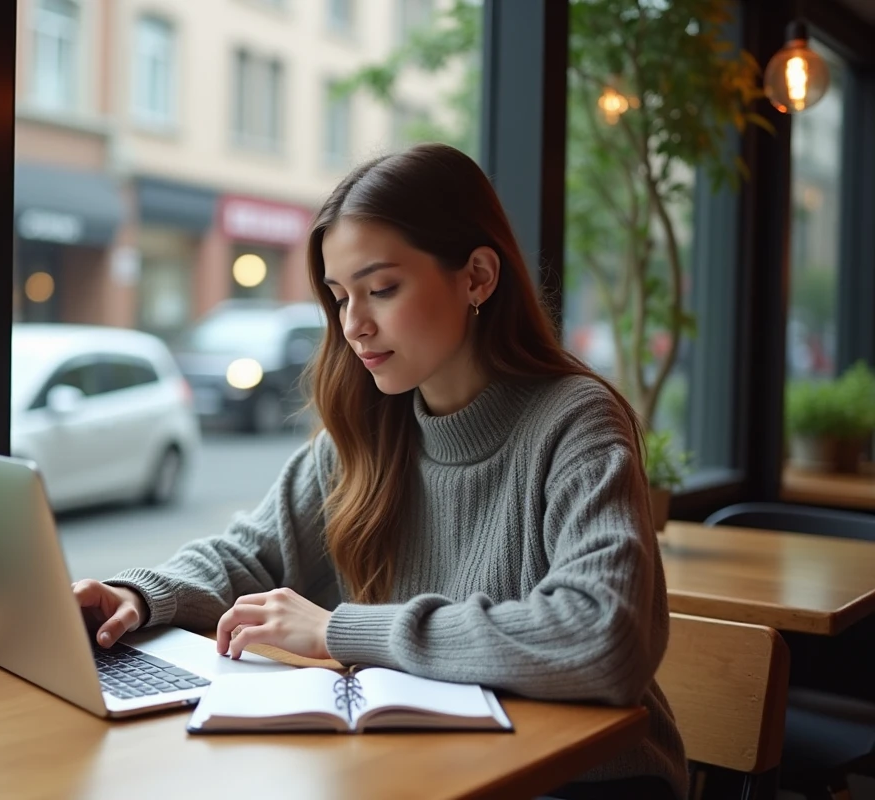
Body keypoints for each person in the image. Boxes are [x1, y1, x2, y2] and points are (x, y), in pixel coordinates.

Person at [72, 143, 687, 800]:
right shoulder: (370, 429)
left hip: (582, 782)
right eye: (340, 297)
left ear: (477, 276)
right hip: (431, 771)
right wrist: (137, 597)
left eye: (383, 289)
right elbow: (245, 555)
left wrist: (337, 631)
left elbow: (603, 636)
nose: (354, 325)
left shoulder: (575, 420)